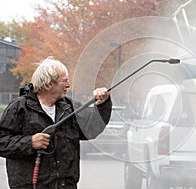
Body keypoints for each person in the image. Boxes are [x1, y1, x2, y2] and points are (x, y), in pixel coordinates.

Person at [0, 57, 112, 189]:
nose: (68, 85)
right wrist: (29, 142)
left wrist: (103, 104)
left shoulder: (70, 107)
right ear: (49, 84)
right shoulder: (19, 108)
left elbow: (91, 130)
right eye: (64, 81)